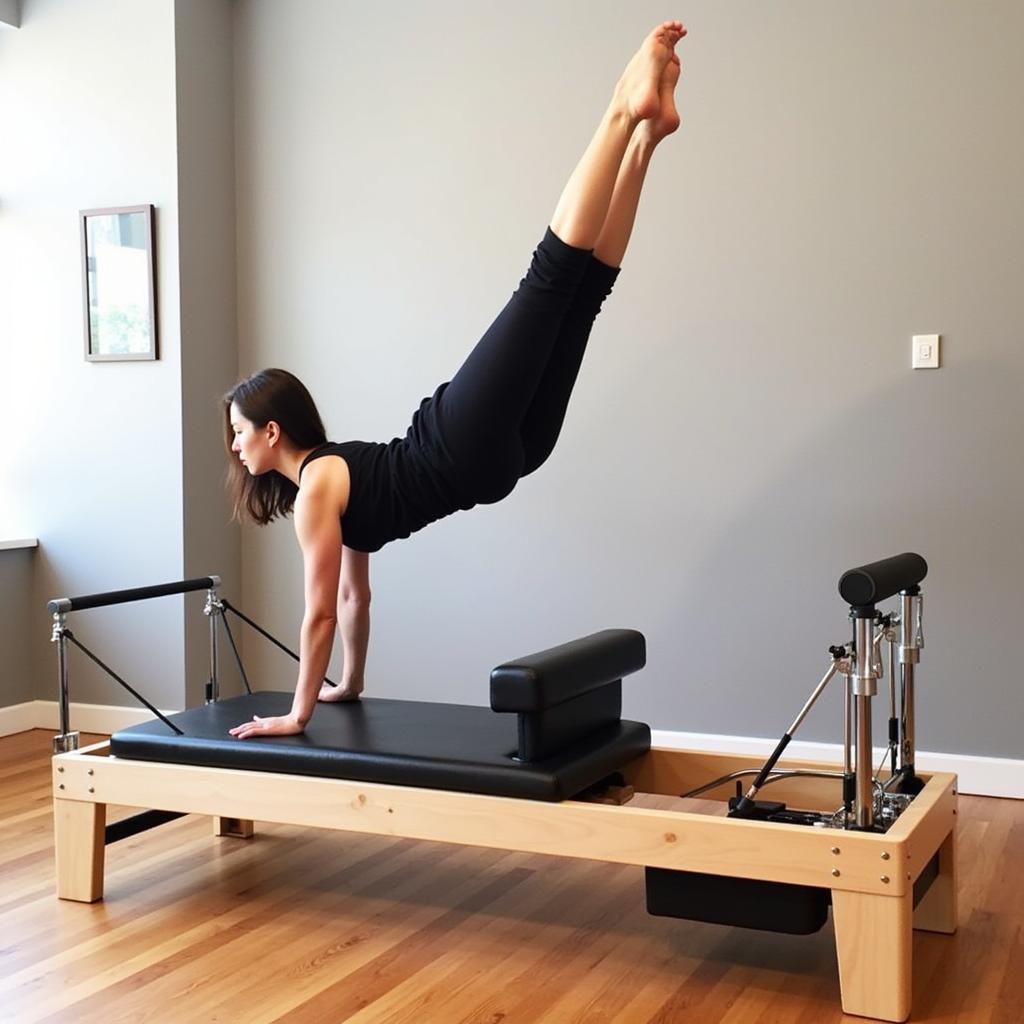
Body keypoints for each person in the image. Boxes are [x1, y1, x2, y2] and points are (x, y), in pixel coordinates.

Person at [226, 21, 687, 739]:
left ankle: (636, 126)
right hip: (464, 452)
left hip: (500, 461)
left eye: (238, 432)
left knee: (572, 290)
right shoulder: (325, 481)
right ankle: (633, 125)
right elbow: (350, 602)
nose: (237, 448)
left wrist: (300, 711)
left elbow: (330, 606)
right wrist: (350, 682)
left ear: (272, 430)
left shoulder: (318, 487)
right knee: (563, 285)